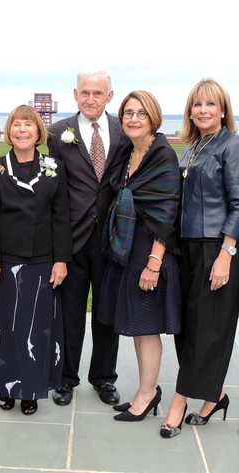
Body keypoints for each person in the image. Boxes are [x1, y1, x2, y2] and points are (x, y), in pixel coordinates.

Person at [161, 79, 239, 438]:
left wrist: (226, 255)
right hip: (188, 248)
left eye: (210, 105)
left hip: (217, 246)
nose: (202, 110)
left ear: (223, 109)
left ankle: (179, 402)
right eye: (197, 105)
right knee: (188, 327)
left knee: (207, 330)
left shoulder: (234, 146)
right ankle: (214, 395)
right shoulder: (195, 147)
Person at [96, 90, 181, 422]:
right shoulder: (128, 153)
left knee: (147, 327)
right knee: (136, 324)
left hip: (150, 251)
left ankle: (148, 393)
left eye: (140, 114)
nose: (133, 119)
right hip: (127, 250)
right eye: (128, 113)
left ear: (153, 118)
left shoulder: (162, 156)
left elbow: (168, 211)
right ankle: (147, 390)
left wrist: (154, 263)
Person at [0, 105, 72, 415]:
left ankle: (31, 389)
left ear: (38, 132)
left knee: (36, 329)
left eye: (28, 125)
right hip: (5, 263)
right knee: (5, 327)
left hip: (42, 261)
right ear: (8, 132)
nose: (22, 130)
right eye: (16, 125)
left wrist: (61, 260)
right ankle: (5, 387)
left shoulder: (54, 168)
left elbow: (61, 218)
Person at [46, 71, 125, 406]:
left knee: (107, 314)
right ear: (75, 94)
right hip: (72, 238)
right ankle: (66, 378)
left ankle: (104, 377)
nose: (91, 99)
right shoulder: (56, 133)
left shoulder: (125, 131)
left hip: (112, 239)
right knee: (69, 313)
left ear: (110, 95)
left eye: (98, 93)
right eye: (85, 93)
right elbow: (53, 189)